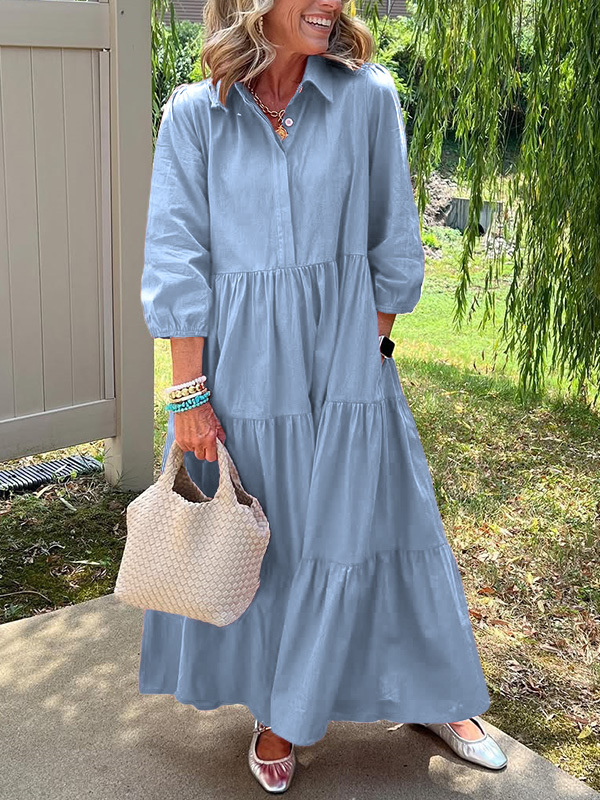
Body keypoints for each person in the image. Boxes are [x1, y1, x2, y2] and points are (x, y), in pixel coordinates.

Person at [138, 0, 509, 792]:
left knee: (382, 522)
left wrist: (370, 350)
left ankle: (431, 692)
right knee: (280, 541)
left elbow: (392, 236)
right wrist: (188, 392)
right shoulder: (195, 114)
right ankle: (281, 709)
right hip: (241, 370)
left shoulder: (366, 95)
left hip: (348, 361)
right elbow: (176, 253)